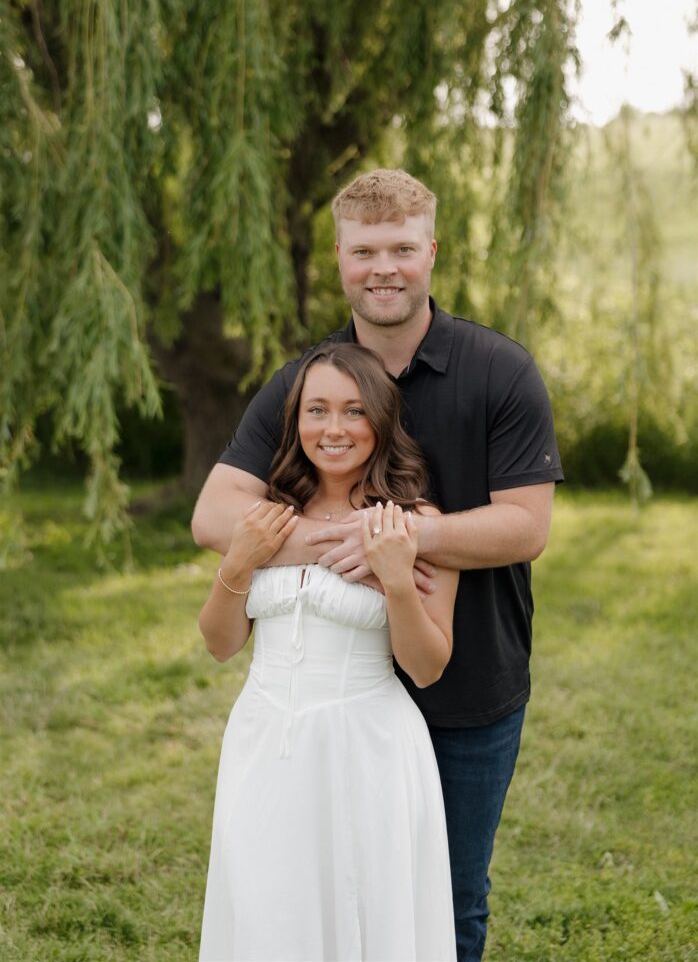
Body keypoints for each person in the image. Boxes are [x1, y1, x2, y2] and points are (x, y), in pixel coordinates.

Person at [192, 168, 565, 962]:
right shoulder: (305, 382)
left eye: (402, 248)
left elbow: (525, 528)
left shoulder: (501, 371)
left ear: (431, 252)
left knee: (444, 901)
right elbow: (213, 515)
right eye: (365, 251)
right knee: (308, 897)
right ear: (340, 259)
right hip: (316, 712)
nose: (384, 268)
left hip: (465, 686)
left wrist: (400, 541)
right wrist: (321, 542)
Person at [198, 342, 459, 961]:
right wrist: (238, 561)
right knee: (266, 907)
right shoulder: (269, 515)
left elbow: (427, 667)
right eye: (317, 410)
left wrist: (396, 579)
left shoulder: (415, 522)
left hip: (366, 747)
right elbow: (220, 644)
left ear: (381, 420)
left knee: (362, 909)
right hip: (263, 740)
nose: (333, 429)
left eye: (353, 411)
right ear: (296, 422)